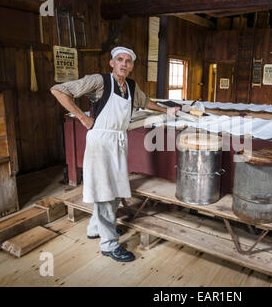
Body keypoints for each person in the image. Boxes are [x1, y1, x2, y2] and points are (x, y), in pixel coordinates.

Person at [51, 46, 178, 262]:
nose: (124, 64)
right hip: (100, 141)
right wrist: (82, 117)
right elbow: (58, 90)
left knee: (116, 189)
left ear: (131, 66)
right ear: (112, 62)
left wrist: (166, 110)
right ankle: (109, 245)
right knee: (104, 192)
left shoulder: (130, 86)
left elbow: (144, 101)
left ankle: (95, 228)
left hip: (119, 141)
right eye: (120, 59)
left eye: (128, 61)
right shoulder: (99, 81)